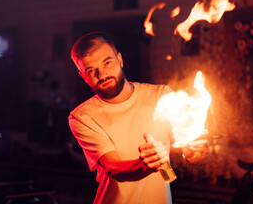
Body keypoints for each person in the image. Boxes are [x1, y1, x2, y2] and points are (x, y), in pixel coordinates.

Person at [68, 31, 208, 203]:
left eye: (107, 62)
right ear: (83, 76)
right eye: (91, 70)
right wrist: (145, 165)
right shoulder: (82, 117)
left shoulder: (161, 96)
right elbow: (114, 168)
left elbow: (186, 146)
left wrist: (193, 153)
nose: (102, 75)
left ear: (120, 60)